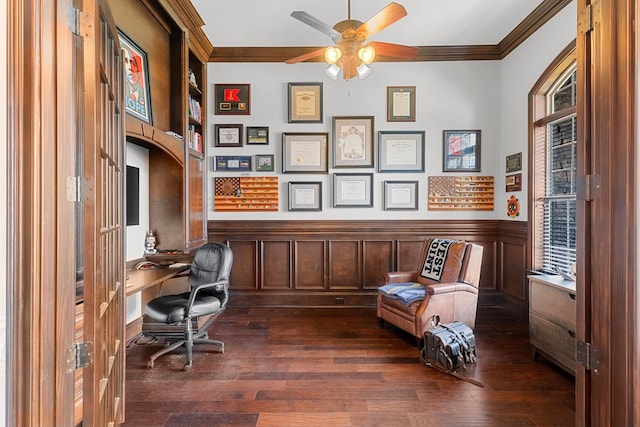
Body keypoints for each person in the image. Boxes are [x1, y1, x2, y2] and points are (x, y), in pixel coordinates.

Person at [122, 45, 147, 118]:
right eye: (125, 61)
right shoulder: (121, 92)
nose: (130, 68)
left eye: (133, 63)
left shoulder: (143, 93)